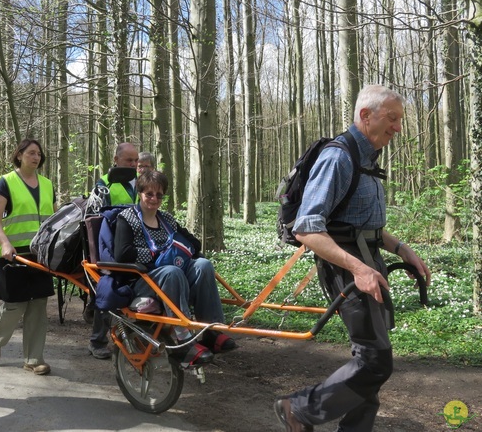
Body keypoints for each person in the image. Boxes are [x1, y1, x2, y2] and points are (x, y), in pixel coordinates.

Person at [274, 85, 431, 432]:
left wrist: (405, 251)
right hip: (345, 269)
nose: (397, 128)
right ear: (365, 115)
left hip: (367, 264)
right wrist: (358, 268)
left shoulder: (366, 160)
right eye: (392, 119)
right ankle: (297, 408)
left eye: (399, 120)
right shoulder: (338, 157)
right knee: (374, 362)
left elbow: (362, 224)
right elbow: (308, 228)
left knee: (371, 360)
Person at [113, 170, 237, 367]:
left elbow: (194, 244)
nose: (154, 199)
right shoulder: (126, 218)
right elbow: (122, 253)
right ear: (140, 193)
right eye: (149, 194)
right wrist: (158, 254)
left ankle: (211, 331)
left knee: (203, 265)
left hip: (172, 275)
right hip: (142, 279)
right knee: (172, 271)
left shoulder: (166, 219)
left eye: (159, 195)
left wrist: (179, 250)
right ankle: (183, 341)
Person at [0, 139, 56, 375]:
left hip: (40, 254)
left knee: (38, 305)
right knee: (15, 305)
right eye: (30, 153)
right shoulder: (6, 182)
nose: (36, 157)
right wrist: (4, 243)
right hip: (12, 254)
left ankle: (34, 359)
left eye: (39, 153)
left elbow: (54, 219)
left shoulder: (47, 184)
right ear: (19, 155)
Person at [87, 142, 140, 359]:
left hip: (138, 244)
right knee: (108, 286)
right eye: (129, 160)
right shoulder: (103, 185)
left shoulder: (141, 182)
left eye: (136, 160)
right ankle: (97, 341)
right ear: (116, 160)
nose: (134, 165)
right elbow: (97, 220)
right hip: (111, 246)